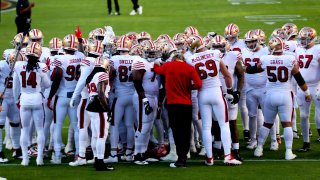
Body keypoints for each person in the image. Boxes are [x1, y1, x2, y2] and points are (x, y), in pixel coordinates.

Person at [248, 37, 311, 160]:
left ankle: (258, 149)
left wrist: (243, 66)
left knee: (267, 123)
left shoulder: (266, 59)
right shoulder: (290, 59)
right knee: (287, 124)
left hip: (269, 94)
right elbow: (299, 78)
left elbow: (253, 69)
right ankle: (288, 152)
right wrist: (307, 92)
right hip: (285, 94)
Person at [153, 52, 202, 168]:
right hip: (186, 103)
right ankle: (184, 156)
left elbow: (157, 70)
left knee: (176, 131)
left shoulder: (168, 65)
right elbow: (199, 84)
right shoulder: (189, 67)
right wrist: (189, 88)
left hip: (173, 104)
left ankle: (180, 158)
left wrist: (155, 63)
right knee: (185, 131)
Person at [13, 42, 51, 166]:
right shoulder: (41, 67)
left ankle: (25, 159)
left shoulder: (18, 65)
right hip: (37, 99)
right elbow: (47, 84)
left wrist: (16, 100)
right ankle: (39, 158)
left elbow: (15, 86)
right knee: (40, 129)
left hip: (24, 99)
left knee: (25, 130)